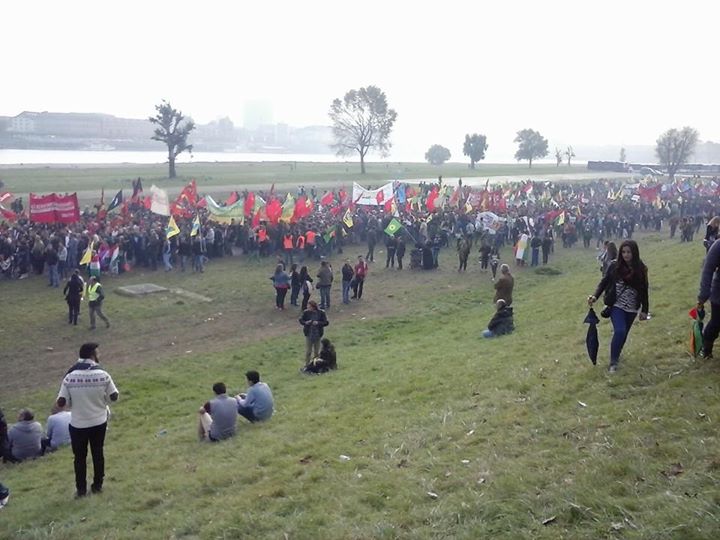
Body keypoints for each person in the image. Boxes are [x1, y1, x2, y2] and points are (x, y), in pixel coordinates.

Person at [57, 342, 119, 497]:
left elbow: (61, 402)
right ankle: (98, 485)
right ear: (92, 355)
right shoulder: (103, 374)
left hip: (78, 423)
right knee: (98, 453)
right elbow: (114, 396)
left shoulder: (70, 376)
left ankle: (81, 489)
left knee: (79, 458)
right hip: (99, 421)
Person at [588, 240, 649, 373]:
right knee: (620, 331)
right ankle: (613, 363)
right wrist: (595, 296)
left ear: (634, 253)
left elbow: (644, 290)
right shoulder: (614, 266)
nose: (626, 255)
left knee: (624, 334)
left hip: (632, 307)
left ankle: (617, 355)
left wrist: (645, 310)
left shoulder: (641, 268)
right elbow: (603, 283)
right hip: (617, 306)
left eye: (629, 252)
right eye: (623, 252)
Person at [697, 237, 720, 359]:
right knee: (716, 323)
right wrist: (703, 295)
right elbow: (708, 270)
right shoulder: (718, 245)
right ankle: (707, 349)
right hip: (719, 294)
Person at [299, 300, 329, 365]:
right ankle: (307, 365)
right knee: (308, 351)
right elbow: (301, 320)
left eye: (309, 307)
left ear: (313, 307)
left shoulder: (321, 313)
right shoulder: (306, 312)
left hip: (318, 334)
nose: (308, 308)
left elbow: (326, 322)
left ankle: (315, 365)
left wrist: (318, 323)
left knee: (316, 352)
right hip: (309, 334)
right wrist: (306, 322)